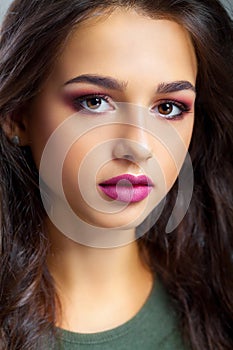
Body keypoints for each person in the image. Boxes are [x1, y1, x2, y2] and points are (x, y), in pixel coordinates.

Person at [0, 0, 233, 349]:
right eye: (95, 101)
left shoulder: (223, 299)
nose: (138, 146)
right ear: (18, 115)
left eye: (168, 108)